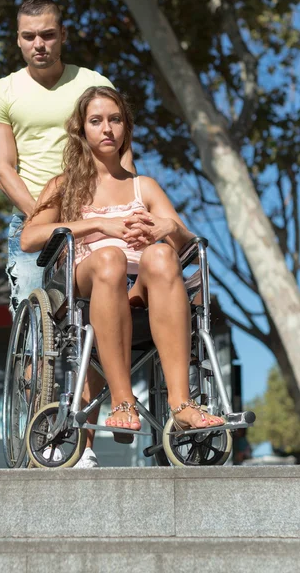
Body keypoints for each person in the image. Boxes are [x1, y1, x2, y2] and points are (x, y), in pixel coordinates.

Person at [0, 0, 133, 466]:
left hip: (99, 213)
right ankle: (41, 430)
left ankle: (83, 445)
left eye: (47, 34)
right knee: (39, 337)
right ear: (18, 40)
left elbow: (120, 153)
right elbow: (4, 169)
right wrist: (48, 220)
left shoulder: (93, 83)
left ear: (62, 35)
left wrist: (123, 210)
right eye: (29, 36)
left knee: (92, 321)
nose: (39, 44)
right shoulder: (1, 94)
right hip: (36, 221)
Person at [21, 86, 225, 435]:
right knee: (110, 258)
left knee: (162, 254)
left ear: (125, 128)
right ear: (81, 130)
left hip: (143, 289)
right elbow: (29, 238)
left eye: (115, 120)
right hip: (89, 282)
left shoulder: (143, 187)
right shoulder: (63, 185)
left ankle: (181, 405)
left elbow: (189, 243)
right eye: (96, 121)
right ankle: (122, 400)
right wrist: (98, 223)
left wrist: (168, 226)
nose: (107, 129)